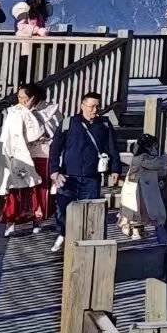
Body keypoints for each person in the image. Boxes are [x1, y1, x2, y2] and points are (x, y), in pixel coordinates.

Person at [48, 92, 118, 251]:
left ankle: (85, 243)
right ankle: (63, 234)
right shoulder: (68, 123)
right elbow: (55, 149)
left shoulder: (104, 125)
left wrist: (115, 169)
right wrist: (54, 172)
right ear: (82, 106)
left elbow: (113, 148)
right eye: (92, 106)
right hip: (67, 175)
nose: (95, 110)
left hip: (91, 176)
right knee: (63, 210)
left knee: (90, 211)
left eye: (97, 106)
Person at [0, 84, 54, 235]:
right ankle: (11, 220)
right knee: (16, 188)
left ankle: (37, 220)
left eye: (24, 98)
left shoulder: (47, 110)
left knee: (39, 188)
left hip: (40, 153)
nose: (20, 100)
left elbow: (52, 131)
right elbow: (8, 133)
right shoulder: (14, 111)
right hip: (20, 154)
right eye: (19, 97)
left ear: (33, 98)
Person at [114, 136, 167, 243]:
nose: (155, 149)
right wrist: (165, 158)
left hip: (142, 188)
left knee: (142, 211)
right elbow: (156, 164)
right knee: (137, 210)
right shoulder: (142, 158)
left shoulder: (143, 156)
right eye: (154, 146)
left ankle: (138, 230)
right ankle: (135, 232)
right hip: (136, 189)